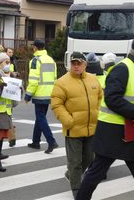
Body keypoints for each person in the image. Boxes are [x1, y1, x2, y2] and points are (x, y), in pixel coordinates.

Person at [76, 37, 134, 200]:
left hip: (132, 132)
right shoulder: (122, 69)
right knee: (95, 174)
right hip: (113, 132)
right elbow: (112, 97)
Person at [51, 51, 102, 198]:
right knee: (75, 162)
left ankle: (70, 175)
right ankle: (76, 190)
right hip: (73, 129)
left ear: (85, 64)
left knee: (89, 159)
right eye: (73, 63)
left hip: (91, 128)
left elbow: (100, 98)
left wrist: (97, 113)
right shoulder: (62, 82)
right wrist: (68, 120)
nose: (76, 66)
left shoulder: (93, 79)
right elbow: (56, 104)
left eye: (79, 63)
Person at [25, 39, 58, 153]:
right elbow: (54, 78)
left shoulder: (35, 60)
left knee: (40, 117)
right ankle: (36, 142)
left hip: (40, 93)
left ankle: (51, 141)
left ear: (35, 48)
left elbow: (33, 80)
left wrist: (28, 95)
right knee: (40, 117)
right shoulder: (51, 60)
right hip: (49, 93)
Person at [0, 52, 15, 172]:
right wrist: (7, 86)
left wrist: (17, 87)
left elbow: (14, 97)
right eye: (6, 62)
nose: (8, 65)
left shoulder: (7, 74)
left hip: (6, 110)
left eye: (9, 62)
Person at [5, 47, 18, 147]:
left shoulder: (12, 62)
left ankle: (11, 137)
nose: (11, 53)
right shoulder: (5, 62)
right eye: (9, 52)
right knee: (8, 118)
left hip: (8, 88)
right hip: (8, 88)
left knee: (7, 117)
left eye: (12, 52)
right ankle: (11, 137)